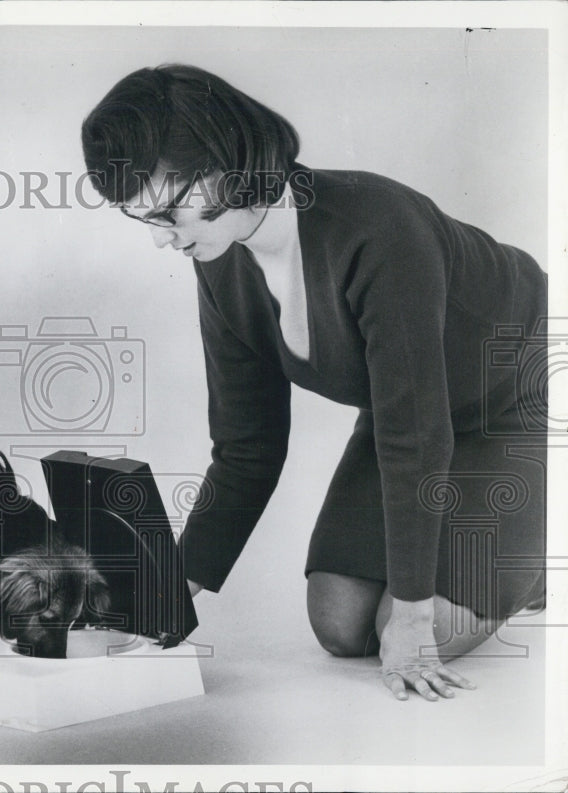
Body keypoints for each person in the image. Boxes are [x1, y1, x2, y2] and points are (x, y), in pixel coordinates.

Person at [81, 64, 547, 702]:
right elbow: (247, 447)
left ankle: (530, 560)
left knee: (400, 625)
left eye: (168, 212)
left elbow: (418, 435)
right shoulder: (217, 257)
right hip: (403, 416)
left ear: (228, 167)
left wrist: (411, 615)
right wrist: (167, 596)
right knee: (338, 623)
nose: (164, 240)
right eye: (145, 222)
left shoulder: (378, 228)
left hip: (512, 403)